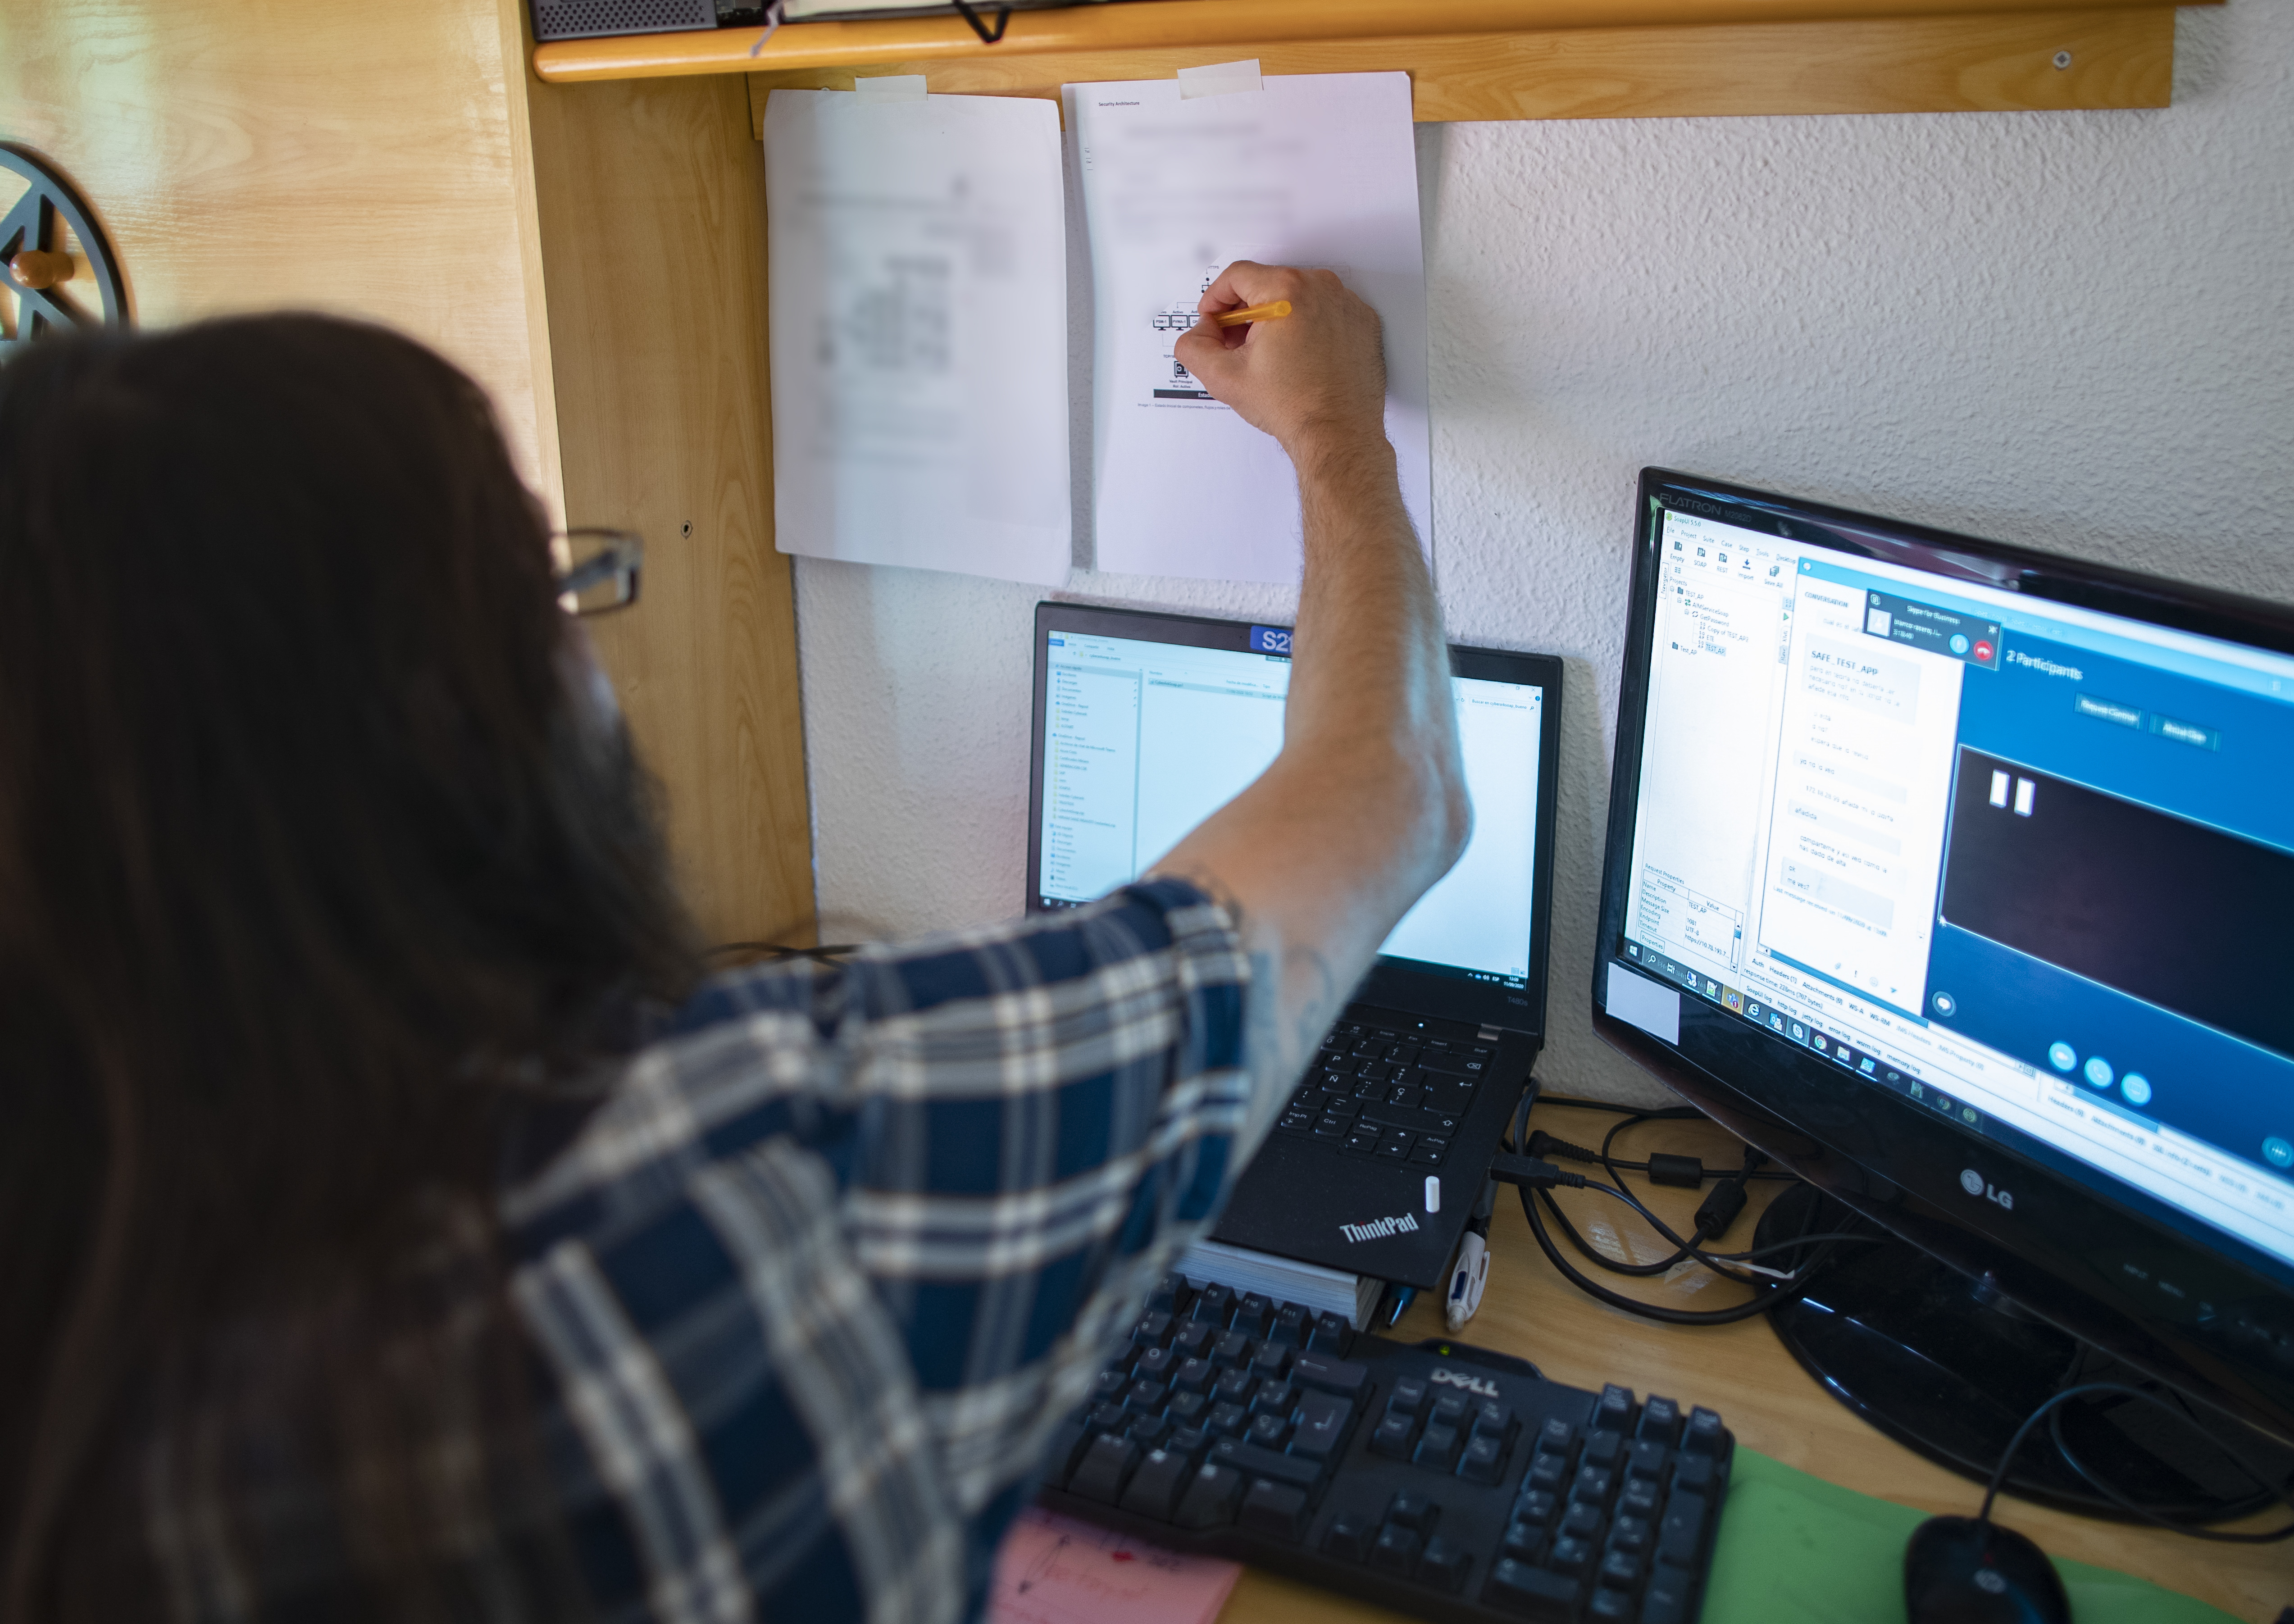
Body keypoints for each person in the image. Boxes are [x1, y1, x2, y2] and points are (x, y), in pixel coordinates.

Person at [0, 261, 1467, 1623]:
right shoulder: (744, 1175)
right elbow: (1388, 781)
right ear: (442, 740)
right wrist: (1336, 434)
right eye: (555, 594)